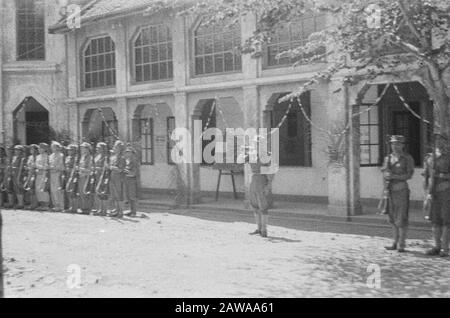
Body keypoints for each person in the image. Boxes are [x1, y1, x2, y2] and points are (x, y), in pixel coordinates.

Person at [382, 135, 415, 253]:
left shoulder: (407, 158)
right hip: (390, 191)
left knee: (401, 218)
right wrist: (386, 178)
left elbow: (409, 175)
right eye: (392, 144)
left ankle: (402, 243)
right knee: (392, 218)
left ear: (403, 145)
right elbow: (384, 172)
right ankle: (394, 242)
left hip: (401, 190)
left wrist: (394, 176)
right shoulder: (388, 158)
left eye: (397, 144)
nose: (394, 146)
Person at [423, 134, 450, 257]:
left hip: (446, 192)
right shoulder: (429, 158)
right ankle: (436, 246)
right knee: (434, 221)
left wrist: (442, 176)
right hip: (433, 193)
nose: (439, 142)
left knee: (446, 221)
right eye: (437, 140)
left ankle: (445, 248)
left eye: (442, 140)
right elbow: (426, 177)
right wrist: (426, 194)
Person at [109, 140, 125, 218]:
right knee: (114, 195)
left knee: (119, 195)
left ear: (119, 148)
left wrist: (113, 167)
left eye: (116, 147)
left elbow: (120, 169)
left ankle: (121, 211)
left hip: (119, 178)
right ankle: (116, 210)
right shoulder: (113, 157)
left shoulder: (122, 158)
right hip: (112, 177)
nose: (114, 148)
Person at [123, 144, 139, 217]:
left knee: (133, 196)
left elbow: (134, 173)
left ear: (132, 153)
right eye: (126, 151)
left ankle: (134, 212)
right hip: (127, 179)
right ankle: (131, 210)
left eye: (129, 152)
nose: (127, 153)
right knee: (129, 196)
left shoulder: (134, 160)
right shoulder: (127, 160)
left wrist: (126, 172)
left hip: (132, 180)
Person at [49, 142, 65, 212]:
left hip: (58, 174)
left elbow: (61, 165)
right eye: (52, 147)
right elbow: (49, 164)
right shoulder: (51, 156)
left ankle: (61, 206)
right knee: (52, 190)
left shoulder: (61, 155)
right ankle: (55, 205)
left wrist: (54, 167)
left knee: (58, 190)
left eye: (54, 147)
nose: (53, 148)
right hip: (51, 174)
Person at [93, 142, 108, 216]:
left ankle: (104, 209)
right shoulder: (97, 156)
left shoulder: (105, 157)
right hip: (96, 175)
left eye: (99, 148)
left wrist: (98, 168)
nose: (97, 149)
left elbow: (105, 167)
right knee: (97, 192)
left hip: (102, 176)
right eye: (97, 148)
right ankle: (99, 208)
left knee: (103, 193)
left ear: (103, 149)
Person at [78, 142, 94, 215]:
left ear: (87, 149)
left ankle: (87, 208)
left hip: (86, 176)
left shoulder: (89, 157)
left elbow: (89, 169)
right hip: (81, 176)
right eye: (81, 148)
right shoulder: (82, 157)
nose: (82, 149)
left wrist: (80, 169)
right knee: (81, 192)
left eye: (83, 147)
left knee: (86, 192)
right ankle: (83, 207)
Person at [35, 143, 51, 211]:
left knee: (43, 189)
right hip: (38, 174)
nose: (39, 149)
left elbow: (47, 166)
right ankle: (41, 204)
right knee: (38, 189)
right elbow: (36, 164)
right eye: (39, 148)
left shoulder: (47, 156)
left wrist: (40, 167)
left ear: (44, 149)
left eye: (40, 148)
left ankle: (46, 205)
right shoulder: (38, 156)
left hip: (44, 174)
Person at [64, 144, 79, 213]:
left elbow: (76, 167)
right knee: (68, 191)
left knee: (73, 191)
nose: (69, 151)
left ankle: (74, 207)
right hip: (67, 175)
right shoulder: (67, 158)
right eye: (69, 150)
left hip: (73, 176)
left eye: (71, 150)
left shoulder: (77, 158)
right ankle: (70, 206)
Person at [10, 145, 26, 209]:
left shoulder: (23, 158)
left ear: (21, 151)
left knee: (20, 189)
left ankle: (21, 204)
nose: (16, 151)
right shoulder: (14, 157)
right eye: (15, 150)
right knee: (16, 188)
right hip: (14, 175)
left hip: (20, 175)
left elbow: (23, 167)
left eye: (18, 150)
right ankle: (18, 203)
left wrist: (15, 168)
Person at [24, 144, 39, 210]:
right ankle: (32, 203)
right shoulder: (30, 157)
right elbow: (28, 165)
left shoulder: (38, 157)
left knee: (34, 189)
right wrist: (27, 167)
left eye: (32, 149)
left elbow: (37, 166)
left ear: (36, 150)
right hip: (30, 173)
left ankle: (35, 204)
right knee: (30, 189)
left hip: (36, 174)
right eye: (30, 149)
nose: (31, 150)